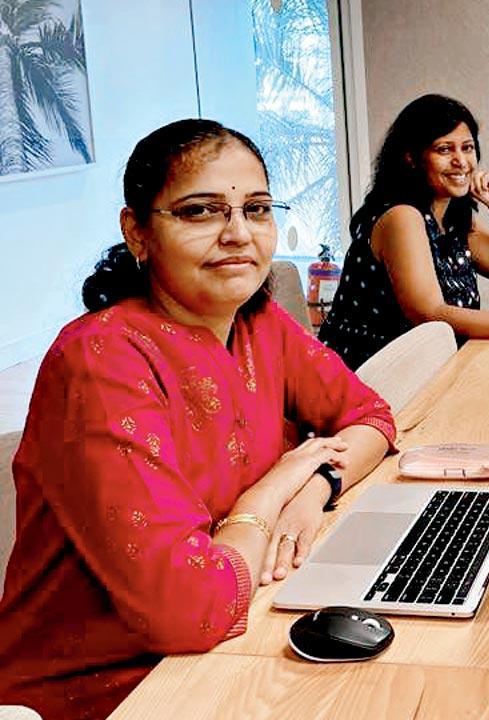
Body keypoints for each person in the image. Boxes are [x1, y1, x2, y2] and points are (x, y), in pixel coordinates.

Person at [0, 119, 396, 719]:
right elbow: (187, 607)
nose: (238, 234)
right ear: (137, 231)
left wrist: (316, 487)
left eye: (257, 209)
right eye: (200, 212)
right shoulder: (101, 358)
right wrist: (268, 494)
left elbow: (371, 417)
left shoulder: (259, 323)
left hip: (243, 629)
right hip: (113, 685)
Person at [319, 94, 489, 370]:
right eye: (444, 150)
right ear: (411, 158)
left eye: (467, 148)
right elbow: (430, 314)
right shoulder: (402, 217)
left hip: (430, 368)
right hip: (369, 378)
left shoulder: (452, 217)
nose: (461, 161)